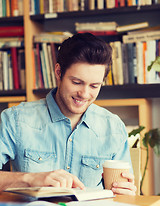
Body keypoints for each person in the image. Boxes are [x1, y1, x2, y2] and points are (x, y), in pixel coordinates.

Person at [0, 33, 136, 195]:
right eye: (77, 82)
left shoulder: (113, 127)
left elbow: (123, 195)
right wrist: (30, 179)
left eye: (94, 86)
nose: (84, 94)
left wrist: (127, 193)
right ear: (58, 72)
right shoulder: (15, 120)